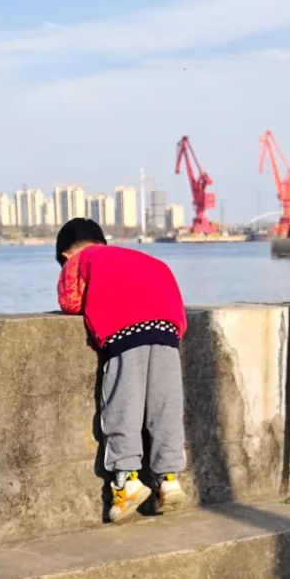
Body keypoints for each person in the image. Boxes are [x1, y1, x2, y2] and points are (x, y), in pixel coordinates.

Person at [56, 217, 189, 524]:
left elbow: (70, 301)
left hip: (125, 332)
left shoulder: (81, 260)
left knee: (122, 407)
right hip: (168, 331)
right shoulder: (144, 258)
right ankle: (168, 480)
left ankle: (126, 482)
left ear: (66, 254)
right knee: (165, 408)